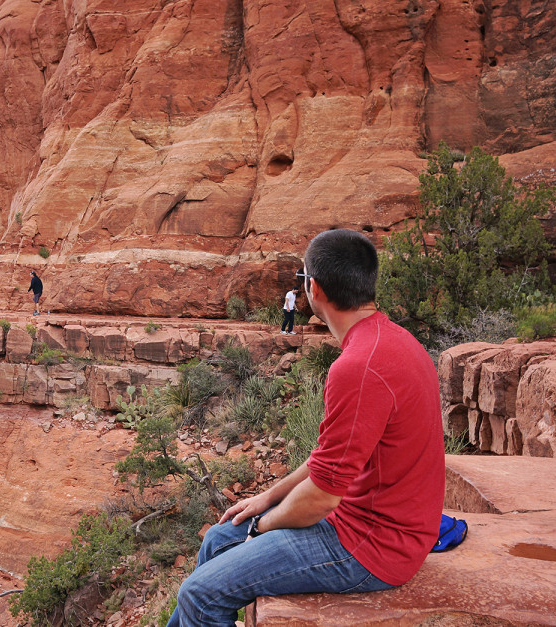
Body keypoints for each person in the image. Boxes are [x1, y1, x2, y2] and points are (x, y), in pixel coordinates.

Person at [167, 229, 444, 627]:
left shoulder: (357, 368)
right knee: (219, 537)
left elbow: (322, 498)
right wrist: (266, 498)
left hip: (370, 548)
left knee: (201, 594)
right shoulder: (394, 341)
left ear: (313, 288)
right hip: (376, 525)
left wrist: (261, 527)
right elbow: (328, 463)